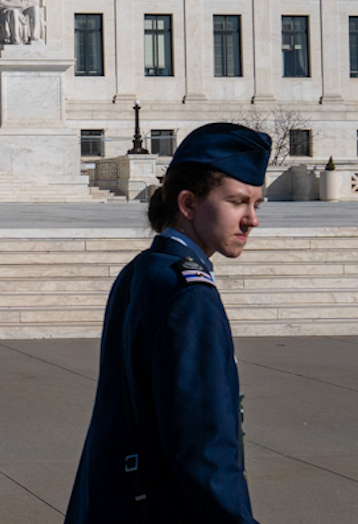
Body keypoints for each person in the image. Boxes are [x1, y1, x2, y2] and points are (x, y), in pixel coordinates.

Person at [65, 122, 269, 524]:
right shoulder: (191, 294)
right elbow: (202, 442)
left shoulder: (144, 270)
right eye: (237, 202)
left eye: (256, 205)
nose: (251, 220)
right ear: (188, 204)